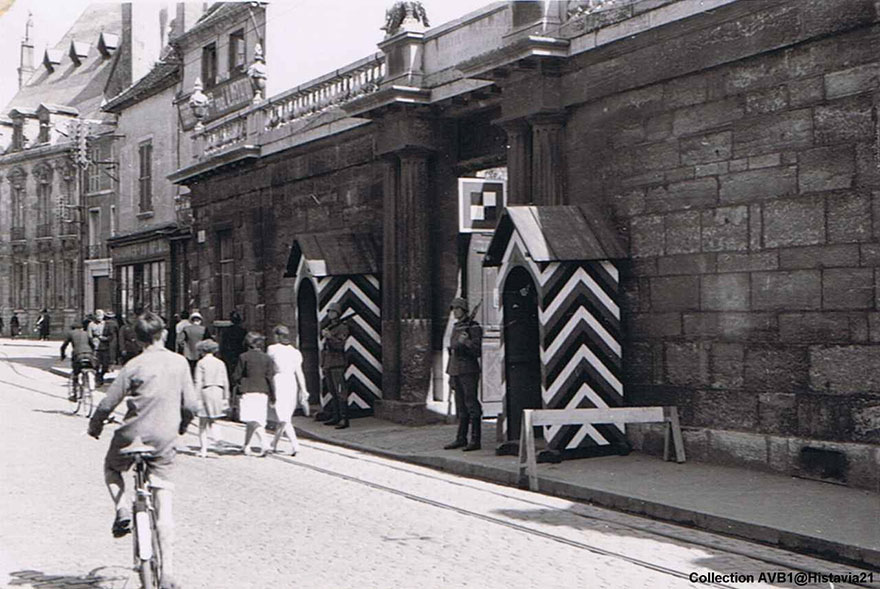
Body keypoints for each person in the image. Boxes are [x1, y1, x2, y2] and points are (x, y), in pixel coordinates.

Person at [88, 312, 196, 589]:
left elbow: (107, 403)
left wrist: (95, 426)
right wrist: (181, 427)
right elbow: (190, 406)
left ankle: (122, 508)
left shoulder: (133, 365)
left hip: (131, 435)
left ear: (137, 339)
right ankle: (168, 571)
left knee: (112, 467)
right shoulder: (180, 363)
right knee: (164, 502)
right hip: (163, 439)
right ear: (164, 334)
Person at [443, 297, 483, 452]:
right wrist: (450, 374)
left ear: (464, 310)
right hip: (456, 370)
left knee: (471, 404)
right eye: (453, 309)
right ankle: (461, 438)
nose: (455, 311)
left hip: (468, 370)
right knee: (460, 406)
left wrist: (466, 342)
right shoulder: (457, 326)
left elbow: (477, 351)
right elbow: (453, 351)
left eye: (457, 308)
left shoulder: (473, 327)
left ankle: (475, 440)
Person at [266, 325, 310, 456]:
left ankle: (295, 445)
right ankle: (273, 444)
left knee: (284, 418)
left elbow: (269, 368)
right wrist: (303, 389)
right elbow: (299, 372)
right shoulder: (295, 352)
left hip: (279, 381)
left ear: (277, 336)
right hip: (291, 382)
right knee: (284, 417)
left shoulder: (272, 349)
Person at [233, 332, 275, 456]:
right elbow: (270, 378)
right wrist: (273, 396)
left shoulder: (244, 357)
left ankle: (265, 443)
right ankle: (246, 445)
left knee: (251, 419)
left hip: (248, 390)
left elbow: (236, 375)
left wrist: (236, 384)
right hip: (263, 391)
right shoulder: (267, 358)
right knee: (255, 418)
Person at [193, 339, 230, 458]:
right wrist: (226, 397)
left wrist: (196, 398)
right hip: (218, 391)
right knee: (214, 419)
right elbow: (225, 381)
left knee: (202, 423)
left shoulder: (201, 363)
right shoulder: (220, 363)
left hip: (206, 391)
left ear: (202, 350)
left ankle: (203, 449)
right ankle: (218, 437)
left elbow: (198, 381)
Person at [321, 302, 350, 429]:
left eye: (332, 311)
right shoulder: (331, 327)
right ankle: (336, 416)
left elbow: (340, 345)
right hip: (329, 363)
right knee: (333, 391)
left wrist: (330, 336)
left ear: (338, 313)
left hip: (337, 363)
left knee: (340, 391)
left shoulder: (342, 328)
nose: (330, 314)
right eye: (329, 311)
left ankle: (344, 418)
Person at [60, 319, 96, 401]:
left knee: (76, 373)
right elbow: (93, 345)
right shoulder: (86, 333)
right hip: (89, 354)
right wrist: (92, 353)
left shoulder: (71, 333)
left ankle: (75, 395)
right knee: (91, 368)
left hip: (78, 355)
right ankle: (92, 384)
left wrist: (63, 355)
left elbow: (63, 346)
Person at [87, 310, 113, 386]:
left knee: (105, 365)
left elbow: (111, 335)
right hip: (95, 347)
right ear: (95, 316)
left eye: (101, 316)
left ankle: (101, 375)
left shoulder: (106, 324)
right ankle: (98, 378)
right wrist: (92, 343)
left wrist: (106, 338)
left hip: (105, 347)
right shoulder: (91, 324)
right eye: (97, 316)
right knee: (96, 365)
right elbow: (89, 336)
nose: (99, 318)